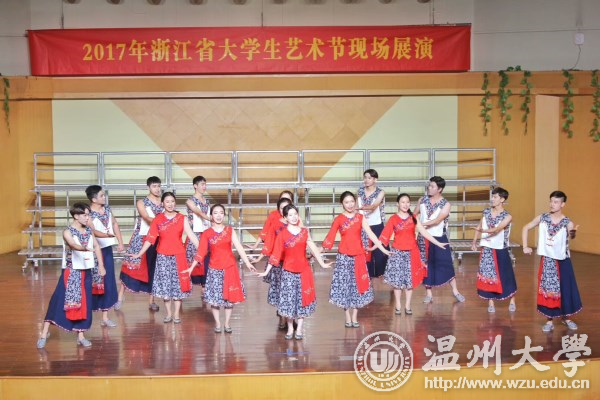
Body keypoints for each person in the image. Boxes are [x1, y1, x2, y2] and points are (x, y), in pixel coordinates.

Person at [36, 203, 106, 349]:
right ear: (76, 216)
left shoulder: (89, 230)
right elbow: (73, 245)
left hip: (87, 271)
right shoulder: (67, 231)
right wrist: (85, 249)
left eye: (88, 215)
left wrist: (101, 265)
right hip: (72, 271)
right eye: (85, 215)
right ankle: (44, 332)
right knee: (58, 299)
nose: (87, 218)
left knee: (85, 302)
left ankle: (81, 336)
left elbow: (96, 246)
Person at [258, 204, 332, 340]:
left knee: (303, 299)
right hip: (288, 272)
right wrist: (266, 271)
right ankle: (291, 327)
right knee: (289, 300)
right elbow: (275, 254)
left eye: (295, 214)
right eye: (290, 215)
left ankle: (300, 328)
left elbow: (313, 248)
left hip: (304, 271)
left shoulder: (304, 232)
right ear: (285, 218)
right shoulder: (282, 234)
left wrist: (322, 263)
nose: (293, 217)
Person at [184, 204, 256, 333]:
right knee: (215, 299)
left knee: (229, 299)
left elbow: (239, 247)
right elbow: (201, 252)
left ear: (224, 215)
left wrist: (247, 263)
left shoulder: (229, 230)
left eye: (221, 213)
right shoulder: (207, 233)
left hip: (229, 268)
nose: (218, 215)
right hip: (214, 270)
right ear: (211, 216)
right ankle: (218, 323)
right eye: (215, 213)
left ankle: (227, 323)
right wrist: (191, 267)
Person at [322, 191, 389, 327]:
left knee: (359, 285)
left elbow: (372, 235)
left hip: (359, 257)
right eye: (346, 202)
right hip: (344, 258)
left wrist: (383, 249)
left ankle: (355, 317)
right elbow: (330, 237)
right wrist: (318, 251)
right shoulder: (339, 219)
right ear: (342, 204)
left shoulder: (360, 217)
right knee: (345, 286)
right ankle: (347, 316)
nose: (350, 204)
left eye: (352, 201)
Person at [133, 192, 199, 324]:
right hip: (162, 256)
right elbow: (150, 238)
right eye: (167, 201)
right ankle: (168, 313)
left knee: (178, 286)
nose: (170, 204)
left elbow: (191, 235)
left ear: (175, 203)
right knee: (165, 286)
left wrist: (201, 248)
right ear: (163, 203)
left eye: (172, 201)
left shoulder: (182, 218)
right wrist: (139, 254)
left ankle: (176, 314)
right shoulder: (158, 219)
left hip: (179, 256)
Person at [522, 190, 582, 332]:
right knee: (548, 289)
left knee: (565, 289)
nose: (552, 204)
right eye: (551, 201)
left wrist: (573, 233)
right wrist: (525, 246)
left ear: (563, 204)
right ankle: (549, 320)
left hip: (563, 261)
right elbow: (526, 227)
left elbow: (571, 235)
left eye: (556, 202)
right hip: (548, 260)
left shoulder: (567, 222)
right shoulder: (542, 218)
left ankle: (566, 318)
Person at [380, 193, 448, 315]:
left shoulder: (413, 218)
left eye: (407, 202)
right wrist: (374, 247)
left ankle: (407, 305)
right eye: (403, 202)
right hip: (397, 253)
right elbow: (384, 236)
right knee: (397, 282)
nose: (405, 204)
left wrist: (438, 243)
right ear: (397, 204)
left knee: (409, 282)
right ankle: (398, 305)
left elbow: (424, 233)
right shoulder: (393, 219)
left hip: (411, 253)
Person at [414, 176, 465, 303]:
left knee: (446, 263)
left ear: (440, 189)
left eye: (432, 186)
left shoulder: (446, 204)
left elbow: (437, 221)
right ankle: (429, 294)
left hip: (439, 237)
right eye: (429, 185)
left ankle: (455, 291)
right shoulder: (422, 200)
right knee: (425, 265)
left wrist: (421, 225)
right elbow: (414, 215)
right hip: (423, 238)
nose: (429, 188)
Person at [118, 176, 163, 311]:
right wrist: (165, 222)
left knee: (153, 268)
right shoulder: (141, 202)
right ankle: (120, 296)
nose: (157, 189)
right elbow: (146, 217)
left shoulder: (164, 202)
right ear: (148, 187)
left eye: (159, 186)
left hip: (158, 238)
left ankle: (151, 301)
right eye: (154, 186)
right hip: (141, 237)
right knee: (131, 265)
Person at [471, 187, 517, 313]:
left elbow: (497, 229)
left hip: (500, 248)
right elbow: (479, 226)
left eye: (495, 197)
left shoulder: (507, 216)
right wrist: (474, 241)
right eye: (492, 196)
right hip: (487, 248)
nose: (492, 199)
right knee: (487, 275)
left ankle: (512, 298)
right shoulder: (486, 212)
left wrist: (483, 231)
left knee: (505, 274)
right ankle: (490, 302)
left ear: (502, 199)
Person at [251, 197, 293, 329]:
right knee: (280, 289)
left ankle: (291, 317)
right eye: (282, 208)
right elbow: (268, 244)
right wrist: (259, 258)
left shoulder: (296, 224)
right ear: (278, 210)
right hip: (278, 262)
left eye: (287, 207)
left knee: (291, 290)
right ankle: (282, 316)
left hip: (292, 262)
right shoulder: (275, 224)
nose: (285, 210)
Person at [86, 185, 122, 327]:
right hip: (94, 252)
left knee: (108, 280)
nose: (104, 197)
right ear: (93, 199)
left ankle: (105, 317)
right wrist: (106, 235)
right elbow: (92, 231)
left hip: (107, 250)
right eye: (101, 195)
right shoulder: (88, 213)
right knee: (94, 282)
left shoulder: (107, 209)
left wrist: (120, 242)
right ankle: (86, 314)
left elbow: (114, 224)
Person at [357, 169, 388, 278]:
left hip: (376, 224)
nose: (366, 180)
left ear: (375, 180)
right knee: (365, 249)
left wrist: (361, 208)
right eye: (365, 177)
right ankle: (367, 273)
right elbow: (356, 205)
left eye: (369, 178)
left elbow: (374, 206)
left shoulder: (380, 192)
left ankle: (381, 273)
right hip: (363, 224)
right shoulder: (360, 191)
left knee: (379, 250)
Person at [185, 176, 212, 287]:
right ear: (195, 186)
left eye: (205, 184)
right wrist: (211, 218)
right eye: (202, 184)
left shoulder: (206, 200)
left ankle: (205, 285)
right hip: (195, 233)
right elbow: (198, 212)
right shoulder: (190, 201)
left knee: (207, 258)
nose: (204, 186)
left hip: (206, 232)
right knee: (195, 257)